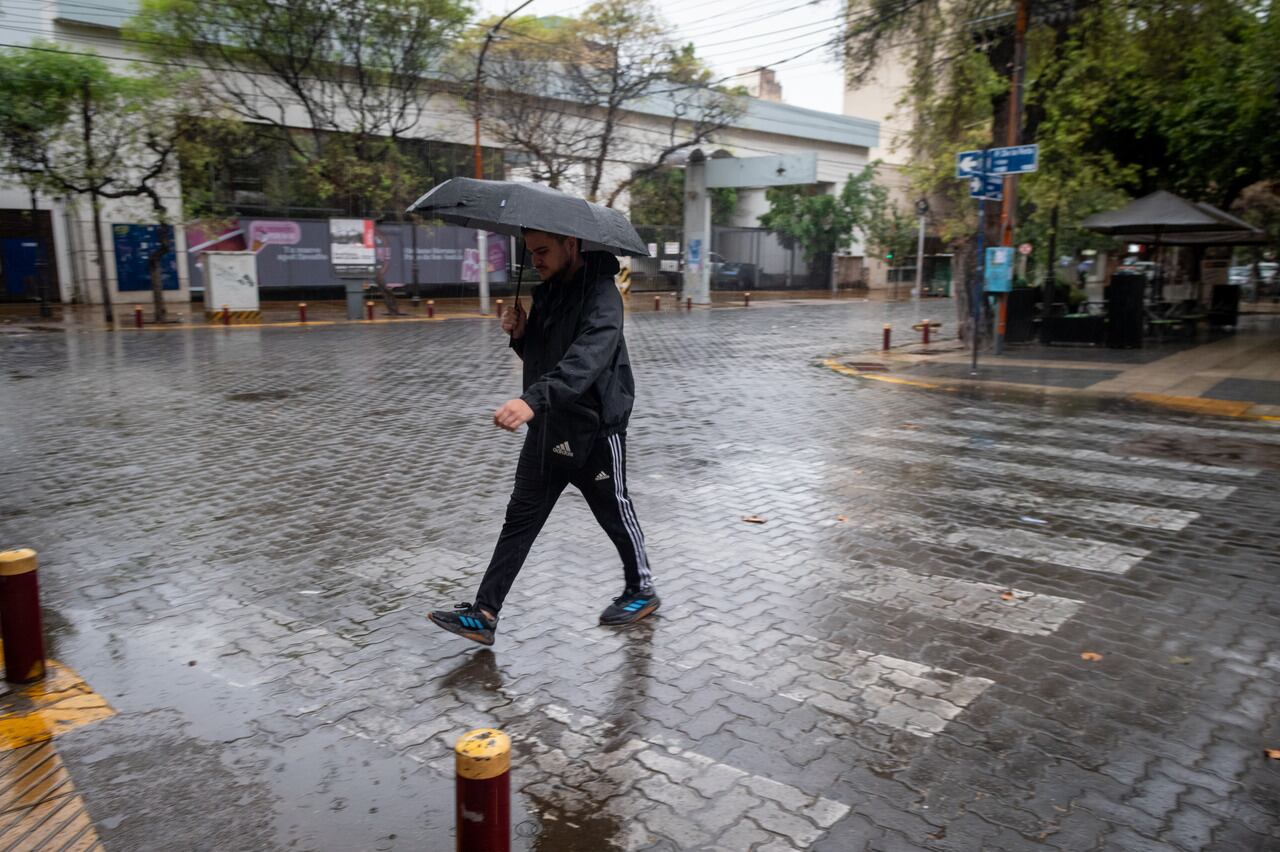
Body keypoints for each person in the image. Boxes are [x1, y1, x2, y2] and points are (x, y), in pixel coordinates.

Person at [428, 229, 658, 646]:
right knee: (520, 519)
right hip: (549, 424)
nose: (535, 259)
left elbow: (586, 358)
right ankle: (484, 613)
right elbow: (543, 358)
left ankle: (641, 589)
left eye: (543, 250)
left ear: (572, 244)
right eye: (530, 252)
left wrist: (532, 399)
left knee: (614, 512)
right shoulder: (548, 291)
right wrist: (521, 335)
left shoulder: (604, 296)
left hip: (594, 427)